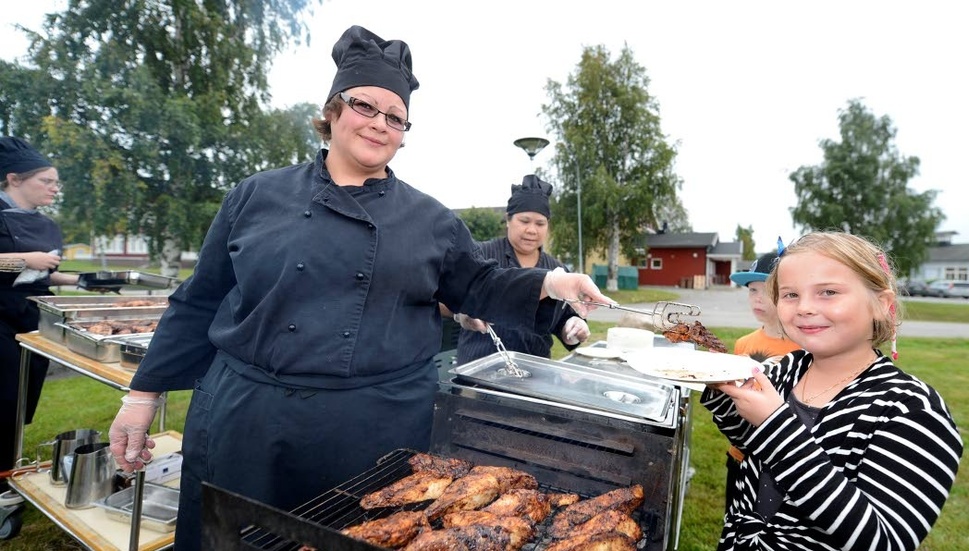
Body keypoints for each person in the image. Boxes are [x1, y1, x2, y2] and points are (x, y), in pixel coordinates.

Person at [106, 25, 611, 549]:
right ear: (332, 111)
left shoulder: (431, 219)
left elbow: (479, 284)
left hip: (370, 431)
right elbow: (200, 299)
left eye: (395, 117)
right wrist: (142, 396)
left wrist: (554, 281)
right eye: (365, 106)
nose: (379, 124)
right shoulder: (256, 195)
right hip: (249, 422)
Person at [701, 231, 962, 551]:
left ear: (881, 304)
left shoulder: (911, 410)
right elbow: (747, 440)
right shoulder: (785, 369)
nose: (805, 307)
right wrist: (720, 386)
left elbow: (883, 541)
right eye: (790, 295)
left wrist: (775, 426)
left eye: (828, 292)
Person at [0, 137, 80, 506]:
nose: (54, 188)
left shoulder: (46, 225)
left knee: (20, 402)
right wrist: (23, 259)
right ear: (13, 179)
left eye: (56, 183)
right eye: (46, 181)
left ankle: (10, 470)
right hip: (0, 322)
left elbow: (44, 276)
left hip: (34, 323)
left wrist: (83, 281)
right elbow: (23, 266)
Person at [446, 175, 590, 366]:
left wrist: (573, 328)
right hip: (478, 370)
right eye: (524, 221)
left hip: (534, 374)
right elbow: (445, 296)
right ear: (508, 219)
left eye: (540, 223)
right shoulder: (480, 255)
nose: (532, 230)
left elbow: (564, 320)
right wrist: (461, 314)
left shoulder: (557, 271)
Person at [723, 251, 801, 510]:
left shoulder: (804, 347)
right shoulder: (744, 343)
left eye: (766, 290)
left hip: (779, 461)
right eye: (751, 290)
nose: (757, 298)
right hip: (740, 455)